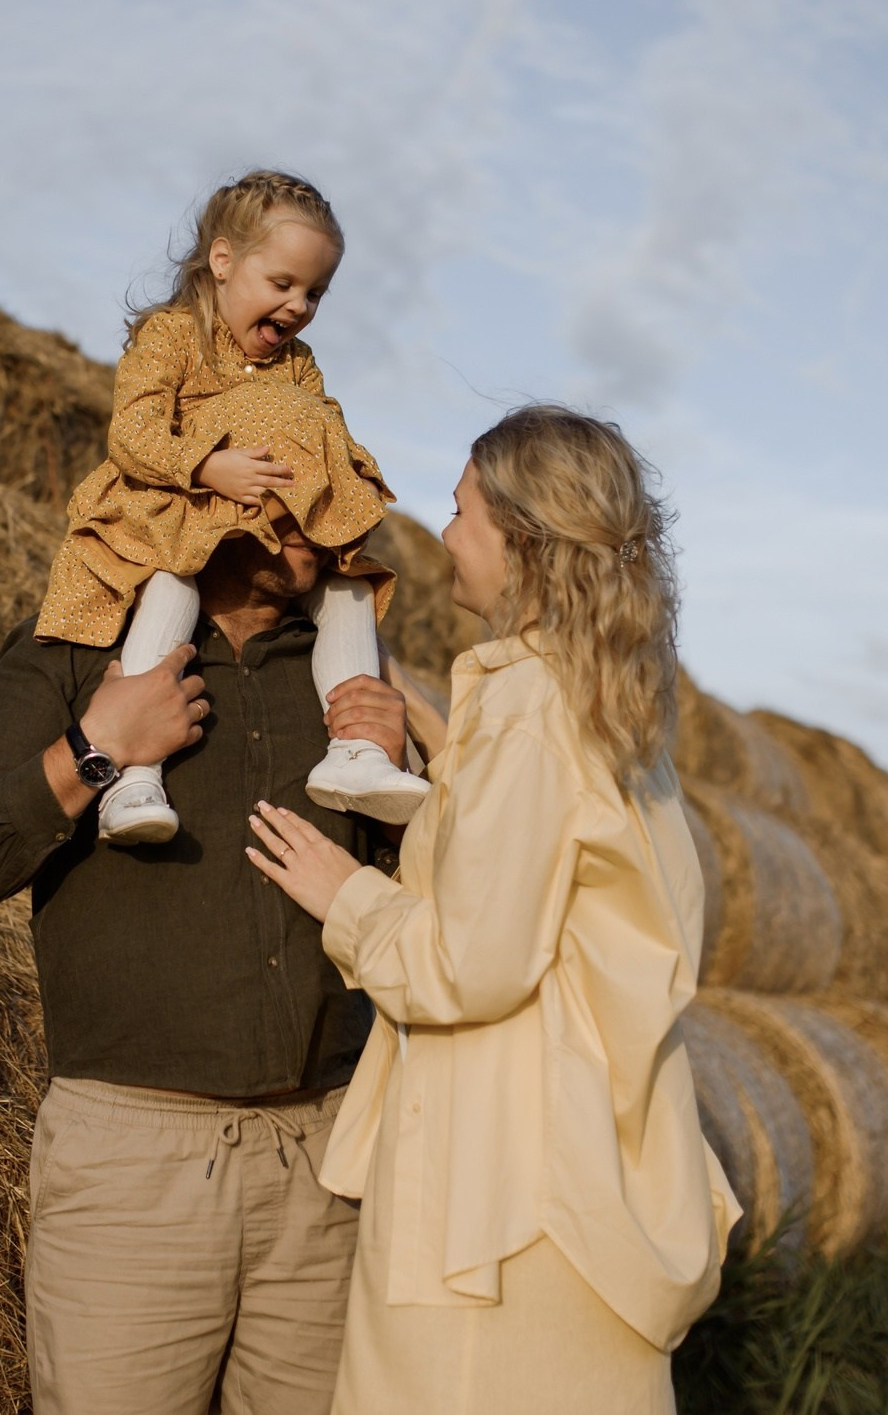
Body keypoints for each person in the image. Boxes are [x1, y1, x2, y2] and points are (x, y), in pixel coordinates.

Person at [246, 404, 740, 1415]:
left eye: (464, 510)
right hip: (579, 1174)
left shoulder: (530, 715)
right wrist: (444, 750)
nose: (444, 533)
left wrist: (348, 899)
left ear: (523, 542)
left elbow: (470, 964)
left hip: (496, 1196)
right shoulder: (609, 705)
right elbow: (546, 893)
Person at [0, 496, 417, 1415]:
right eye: (292, 493)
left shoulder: (349, 675)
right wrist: (97, 747)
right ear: (205, 495)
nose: (325, 515)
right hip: (134, 1169)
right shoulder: (72, 652)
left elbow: (432, 920)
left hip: (328, 1167)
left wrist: (408, 777)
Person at [36, 169, 430, 846]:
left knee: (347, 589)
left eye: (315, 292)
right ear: (223, 261)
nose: (300, 305)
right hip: (176, 508)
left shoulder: (299, 364)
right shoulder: (172, 335)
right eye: (283, 284)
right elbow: (130, 432)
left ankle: (356, 751)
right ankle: (134, 777)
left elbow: (316, 429)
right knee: (173, 577)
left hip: (267, 526)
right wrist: (208, 463)